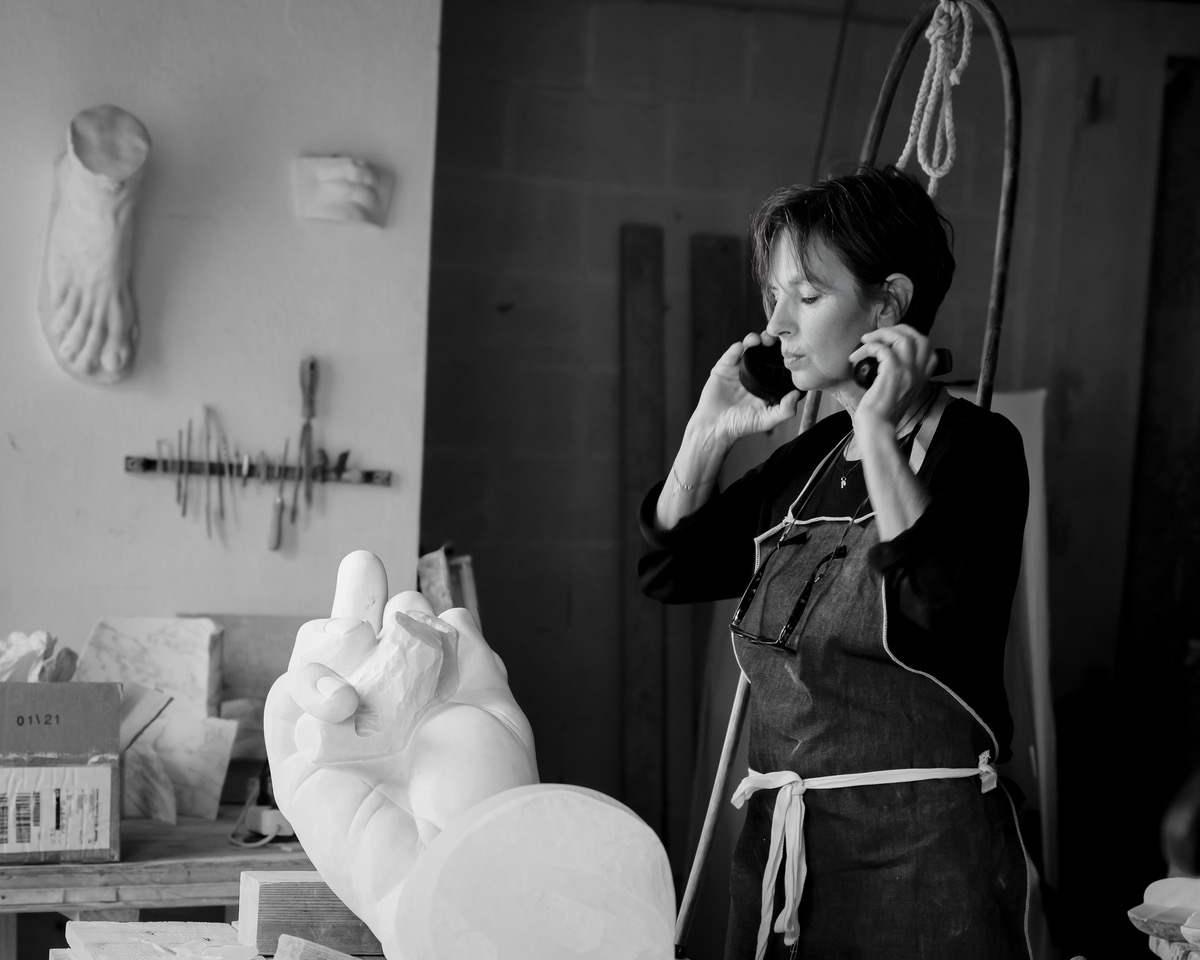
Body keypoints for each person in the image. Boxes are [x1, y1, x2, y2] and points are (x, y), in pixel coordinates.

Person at [639, 165, 1031, 959]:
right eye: (773, 299)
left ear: (888, 304)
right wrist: (704, 436)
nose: (778, 324)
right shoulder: (813, 455)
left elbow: (935, 608)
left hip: (922, 872)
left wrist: (883, 430)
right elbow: (671, 570)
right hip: (790, 861)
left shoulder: (978, 450)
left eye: (807, 297)